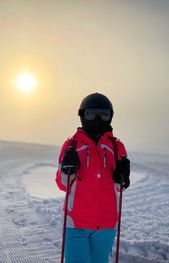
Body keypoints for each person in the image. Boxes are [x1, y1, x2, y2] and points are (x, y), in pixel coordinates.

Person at [55, 93, 130, 263]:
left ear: (110, 116)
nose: (97, 119)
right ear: (82, 115)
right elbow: (62, 184)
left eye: (103, 114)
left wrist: (123, 177)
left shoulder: (117, 147)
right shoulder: (71, 146)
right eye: (91, 114)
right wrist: (68, 170)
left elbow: (119, 186)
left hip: (106, 224)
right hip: (76, 224)